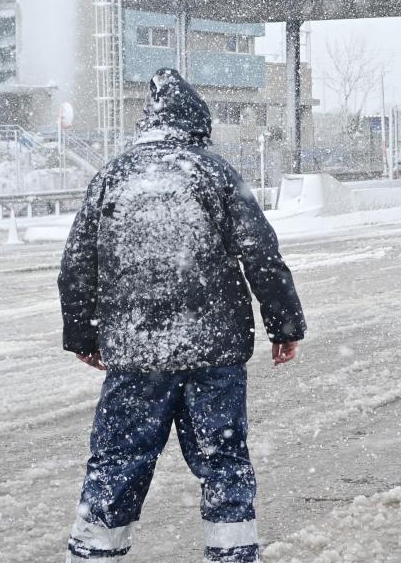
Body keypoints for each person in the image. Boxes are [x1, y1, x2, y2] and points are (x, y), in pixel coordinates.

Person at [58, 68, 306, 563]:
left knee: (117, 462)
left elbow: (76, 265)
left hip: (136, 356)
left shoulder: (111, 177)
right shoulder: (213, 173)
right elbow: (260, 252)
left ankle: (93, 555)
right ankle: (232, 555)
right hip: (213, 354)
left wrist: (83, 335)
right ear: (197, 126)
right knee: (223, 461)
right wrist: (284, 324)